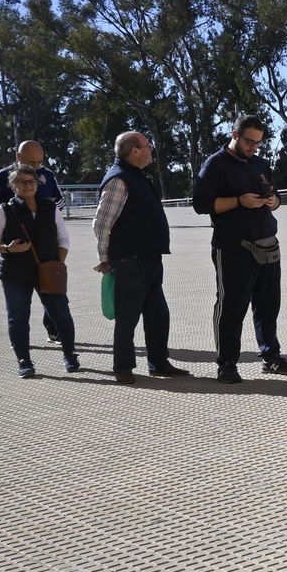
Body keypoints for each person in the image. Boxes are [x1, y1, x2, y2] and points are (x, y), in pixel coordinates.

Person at [191, 115, 287, 383]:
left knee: (268, 306)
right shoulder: (215, 164)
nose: (254, 148)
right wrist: (239, 201)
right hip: (233, 248)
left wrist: (273, 202)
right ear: (235, 135)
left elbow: (276, 196)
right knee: (231, 307)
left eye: (258, 143)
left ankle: (271, 357)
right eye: (250, 142)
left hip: (267, 245)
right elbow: (201, 204)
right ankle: (226, 363)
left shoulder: (260, 163)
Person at [93, 132, 189, 385]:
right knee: (127, 319)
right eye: (147, 146)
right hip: (130, 261)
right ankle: (122, 367)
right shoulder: (119, 179)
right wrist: (105, 258)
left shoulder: (135, 176)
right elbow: (101, 224)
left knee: (158, 315)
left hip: (149, 260)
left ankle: (158, 362)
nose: (151, 150)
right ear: (134, 151)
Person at [0, 163, 80, 377]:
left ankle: (70, 356)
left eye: (31, 181)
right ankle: (24, 362)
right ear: (12, 186)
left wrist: (57, 263)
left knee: (61, 314)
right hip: (15, 273)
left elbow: (63, 237)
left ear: (37, 184)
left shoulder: (50, 207)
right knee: (18, 318)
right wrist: (8, 249)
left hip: (49, 270)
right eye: (21, 182)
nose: (27, 185)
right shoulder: (4, 211)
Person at [0, 141, 65, 342]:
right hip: (18, 253)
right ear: (19, 157)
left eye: (40, 161)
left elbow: (60, 201)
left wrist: (45, 216)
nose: (37, 167)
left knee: (52, 291)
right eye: (32, 162)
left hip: (47, 249)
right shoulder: (1, 176)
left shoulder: (47, 175)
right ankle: (21, 344)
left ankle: (54, 329)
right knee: (19, 306)